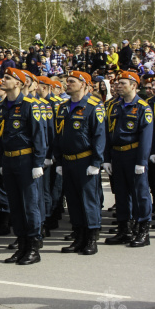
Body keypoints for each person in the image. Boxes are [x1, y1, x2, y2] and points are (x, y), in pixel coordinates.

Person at [0, 68, 46, 265]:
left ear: (18, 83)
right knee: (15, 205)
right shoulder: (2, 106)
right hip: (9, 160)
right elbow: (0, 135)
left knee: (30, 205)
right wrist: (1, 159)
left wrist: (38, 162)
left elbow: (39, 135)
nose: (3, 80)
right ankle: (22, 245)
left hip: (26, 160)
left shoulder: (30, 105)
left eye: (7, 78)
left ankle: (33, 246)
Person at [52, 71, 106, 255]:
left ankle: (91, 238)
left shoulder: (93, 106)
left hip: (85, 160)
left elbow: (99, 135)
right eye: (67, 81)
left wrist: (96, 162)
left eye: (72, 81)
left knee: (88, 201)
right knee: (73, 201)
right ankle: (79, 237)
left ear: (83, 84)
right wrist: (59, 160)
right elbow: (58, 136)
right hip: (68, 161)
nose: (68, 84)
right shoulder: (63, 107)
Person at [104, 70, 153, 247]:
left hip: (133, 155)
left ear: (134, 86)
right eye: (117, 83)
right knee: (122, 194)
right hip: (117, 154)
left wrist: (141, 161)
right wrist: (107, 157)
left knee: (140, 194)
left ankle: (143, 230)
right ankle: (125, 229)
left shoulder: (142, 107)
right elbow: (109, 133)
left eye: (123, 83)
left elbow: (146, 137)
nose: (118, 86)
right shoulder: (115, 106)